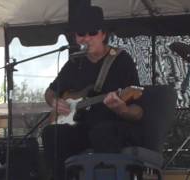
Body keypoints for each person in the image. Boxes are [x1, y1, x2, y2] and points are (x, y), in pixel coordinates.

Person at [42, 5, 144, 180]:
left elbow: (139, 112)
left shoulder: (121, 60)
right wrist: (54, 102)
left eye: (92, 32)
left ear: (103, 34)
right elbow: (49, 92)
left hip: (111, 128)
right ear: (76, 37)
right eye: (81, 33)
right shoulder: (74, 63)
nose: (87, 38)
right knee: (52, 133)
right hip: (79, 128)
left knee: (102, 130)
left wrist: (122, 109)